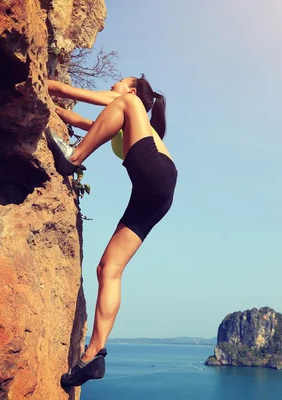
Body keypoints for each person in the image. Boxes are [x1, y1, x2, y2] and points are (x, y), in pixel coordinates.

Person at [45, 74, 178, 387]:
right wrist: (61, 114)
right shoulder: (125, 122)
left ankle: (73, 157)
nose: (113, 85)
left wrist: (45, 85)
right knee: (108, 270)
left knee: (122, 106)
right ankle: (94, 353)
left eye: (118, 81)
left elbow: (68, 90)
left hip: (155, 174)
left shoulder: (128, 105)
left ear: (131, 89)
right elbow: (90, 124)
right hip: (158, 192)